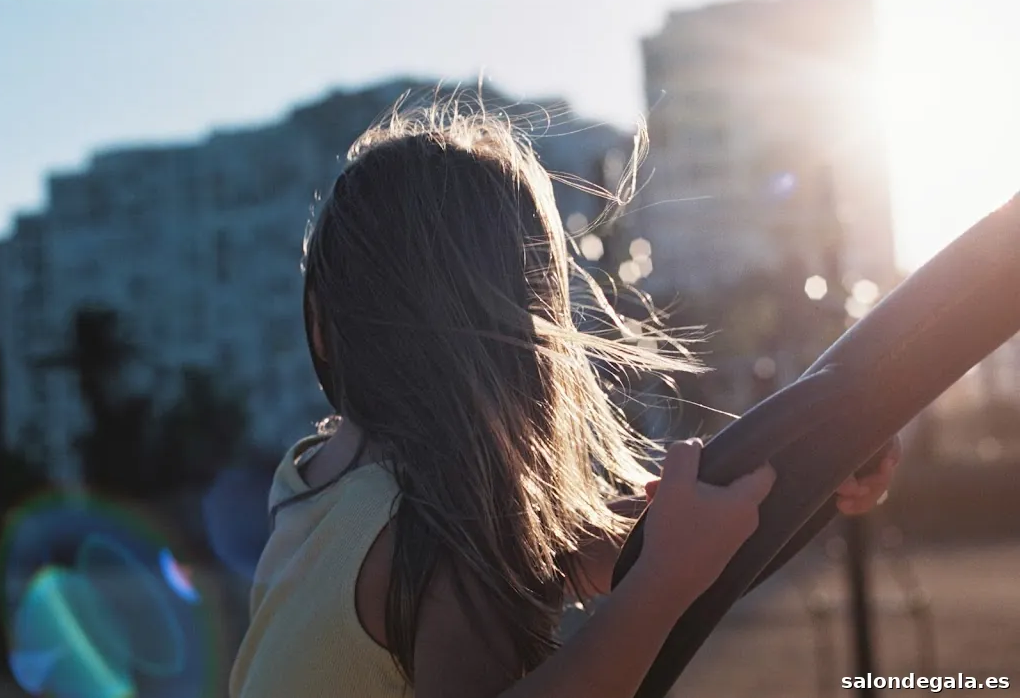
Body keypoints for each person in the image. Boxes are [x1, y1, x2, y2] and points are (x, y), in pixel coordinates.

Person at [229, 96, 899, 698]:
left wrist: (815, 461)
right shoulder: (429, 545)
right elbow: (636, 566)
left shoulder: (309, 484)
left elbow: (613, 545)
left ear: (322, 319)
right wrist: (661, 585)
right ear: (521, 329)